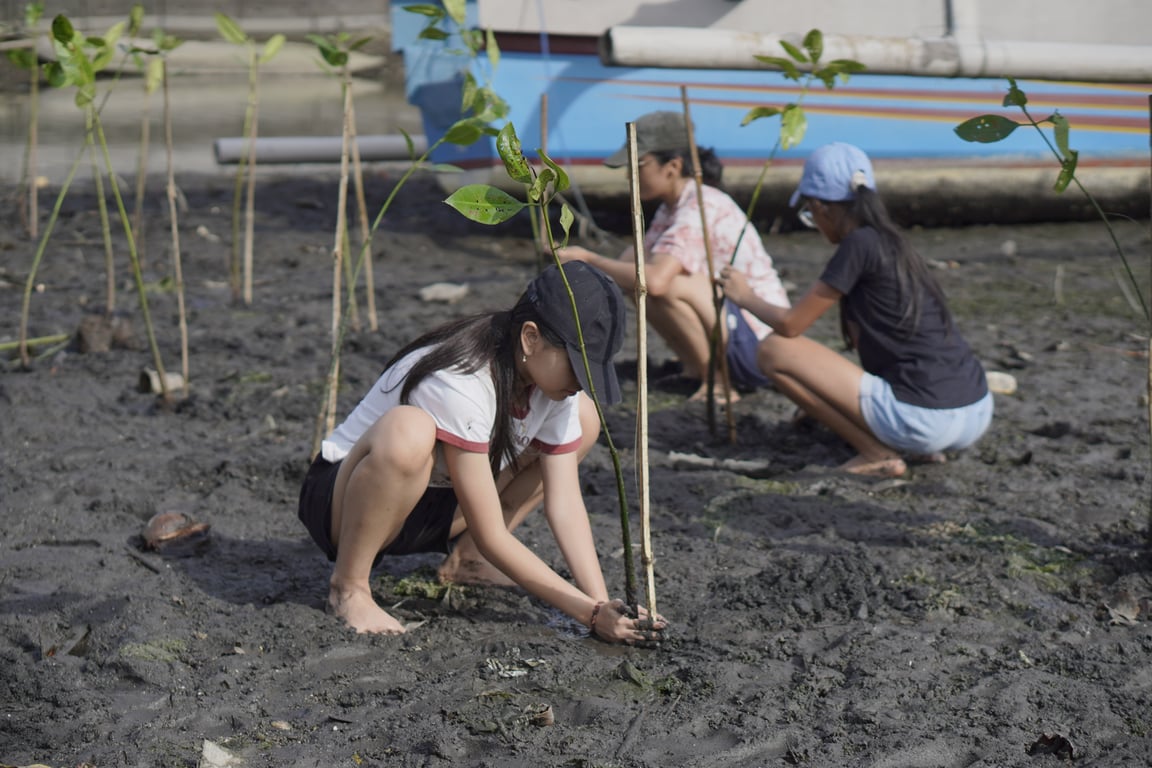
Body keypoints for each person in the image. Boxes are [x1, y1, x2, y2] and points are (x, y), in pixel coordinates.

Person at [298, 261, 665, 644]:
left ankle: (468, 561)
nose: (580, 382)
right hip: (347, 504)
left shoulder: (550, 386)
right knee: (408, 430)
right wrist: (588, 615)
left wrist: (604, 604)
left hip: (436, 504)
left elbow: (565, 503)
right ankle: (349, 586)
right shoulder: (461, 377)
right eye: (576, 366)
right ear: (530, 338)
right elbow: (492, 533)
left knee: (584, 419)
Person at [717, 142, 992, 478]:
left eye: (809, 213)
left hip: (925, 420)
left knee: (774, 350)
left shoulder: (858, 245)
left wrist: (743, 295)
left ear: (820, 206)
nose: (814, 223)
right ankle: (916, 447)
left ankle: (876, 453)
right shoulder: (895, 242)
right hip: (976, 410)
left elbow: (791, 325)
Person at [556, 110, 790, 403]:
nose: (630, 175)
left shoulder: (701, 205)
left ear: (673, 166)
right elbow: (637, 268)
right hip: (730, 330)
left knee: (664, 283)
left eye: (638, 165)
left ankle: (717, 382)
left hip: (758, 342)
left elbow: (655, 281)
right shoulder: (672, 207)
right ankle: (695, 367)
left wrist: (590, 259)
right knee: (632, 260)